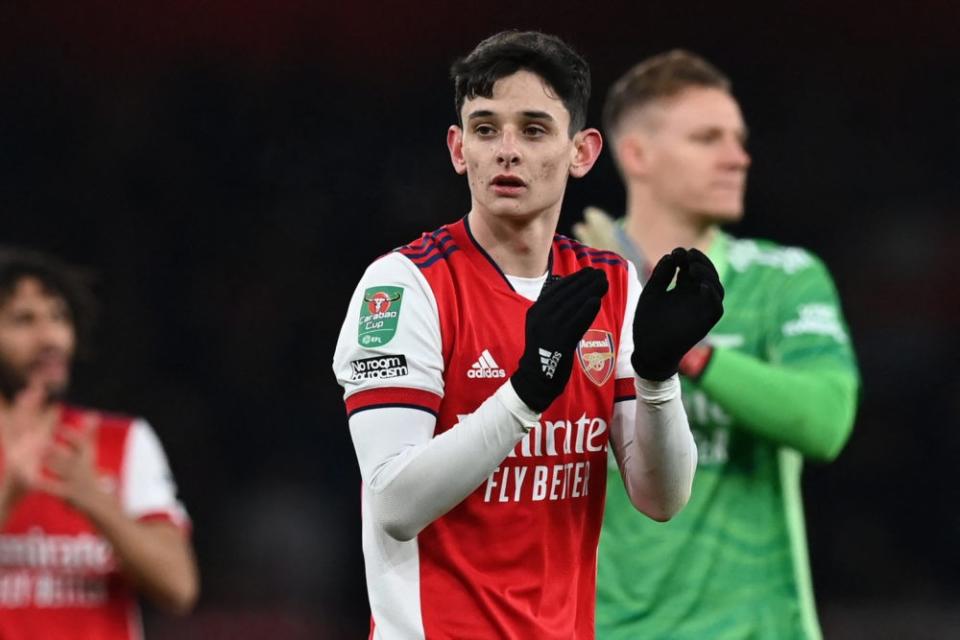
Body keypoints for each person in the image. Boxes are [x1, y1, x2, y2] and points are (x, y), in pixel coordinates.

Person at [332, 30, 723, 639]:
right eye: (486, 129)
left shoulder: (610, 284)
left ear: (582, 152)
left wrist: (657, 377)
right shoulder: (404, 287)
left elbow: (661, 497)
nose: (506, 151)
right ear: (459, 149)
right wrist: (524, 395)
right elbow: (394, 504)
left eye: (534, 129)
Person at [573, 50, 860, 639]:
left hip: (755, 628)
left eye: (739, 138)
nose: (738, 156)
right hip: (602, 627)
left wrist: (684, 346)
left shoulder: (782, 278)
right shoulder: (575, 294)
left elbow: (825, 421)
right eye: (709, 138)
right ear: (637, 155)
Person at [0, 248, 198, 639]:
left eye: (60, 318)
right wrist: (9, 493)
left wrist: (95, 500)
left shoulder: (121, 440)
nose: (51, 337)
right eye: (24, 320)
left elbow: (180, 588)